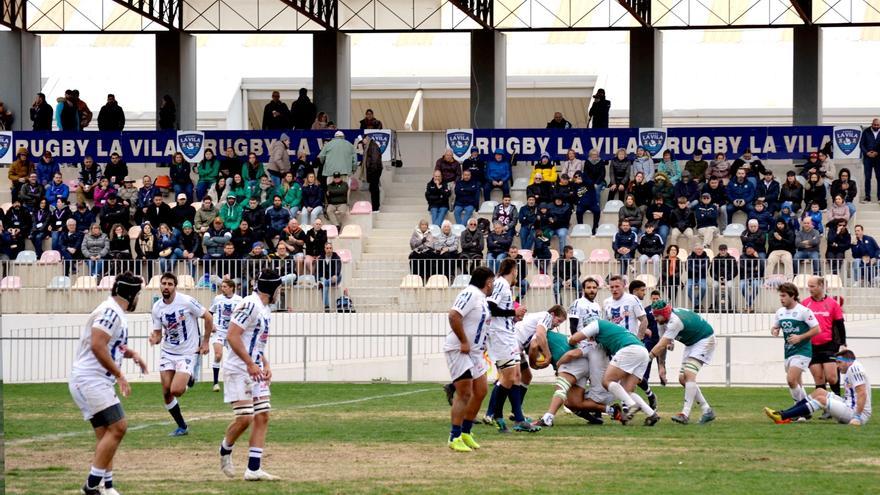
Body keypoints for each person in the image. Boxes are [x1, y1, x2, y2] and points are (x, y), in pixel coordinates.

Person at [69, 273, 147, 495]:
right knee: (119, 426)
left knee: (106, 434)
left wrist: (132, 354)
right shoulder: (110, 311)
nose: (138, 299)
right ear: (131, 294)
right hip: (91, 380)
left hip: (92, 380)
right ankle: (91, 486)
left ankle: (107, 486)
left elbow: (112, 345)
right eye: (138, 294)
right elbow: (97, 344)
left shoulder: (114, 311)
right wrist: (120, 374)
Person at [219, 269, 283, 480]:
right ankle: (225, 449)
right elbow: (232, 336)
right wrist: (249, 363)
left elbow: (256, 343)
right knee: (245, 417)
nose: (280, 292)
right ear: (272, 289)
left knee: (262, 415)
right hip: (238, 369)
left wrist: (265, 364)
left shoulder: (265, 309)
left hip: (254, 368)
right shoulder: (250, 304)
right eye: (279, 288)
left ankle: (253, 469)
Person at [149, 273, 214, 436]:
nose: (166, 286)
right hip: (168, 351)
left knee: (176, 390)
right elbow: (158, 333)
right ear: (160, 286)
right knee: (166, 391)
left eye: (170, 284)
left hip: (187, 352)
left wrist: (205, 342)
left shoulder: (186, 301)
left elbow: (208, 316)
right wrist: (154, 338)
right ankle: (182, 427)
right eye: (164, 283)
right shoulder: (157, 308)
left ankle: (189, 377)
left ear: (175, 286)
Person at [570, 318, 660, 425]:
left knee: (607, 381)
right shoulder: (611, 330)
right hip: (642, 351)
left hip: (630, 349)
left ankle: (632, 405)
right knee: (627, 391)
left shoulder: (597, 324)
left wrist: (570, 342)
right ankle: (651, 414)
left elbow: (574, 339)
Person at [445, 266, 494, 452]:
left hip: (475, 352)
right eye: (493, 283)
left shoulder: (482, 299)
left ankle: (466, 432)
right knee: (464, 392)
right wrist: (464, 341)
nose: (493, 286)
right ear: (488, 282)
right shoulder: (470, 293)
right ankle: (454, 436)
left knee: (481, 390)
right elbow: (454, 315)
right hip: (459, 349)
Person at [480, 259, 529, 430]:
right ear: (513, 270)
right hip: (500, 336)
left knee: (515, 376)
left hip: (507, 334)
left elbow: (499, 311)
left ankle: (518, 419)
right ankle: (496, 415)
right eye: (517, 270)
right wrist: (513, 311)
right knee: (508, 377)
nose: (517, 274)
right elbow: (490, 307)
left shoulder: (505, 286)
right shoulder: (500, 283)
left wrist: (513, 316)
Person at [649, 301, 717, 424]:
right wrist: (661, 366)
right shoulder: (662, 322)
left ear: (664, 313)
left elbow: (660, 346)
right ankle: (707, 410)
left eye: (656, 315)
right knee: (682, 379)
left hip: (705, 340)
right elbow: (662, 345)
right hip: (691, 343)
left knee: (689, 374)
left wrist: (646, 359)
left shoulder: (675, 322)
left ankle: (685, 414)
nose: (655, 318)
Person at [764, 349, 871, 425]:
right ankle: (785, 414)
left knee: (821, 400)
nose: (837, 366)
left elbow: (862, 393)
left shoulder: (854, 369)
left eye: (839, 362)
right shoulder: (852, 367)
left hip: (857, 414)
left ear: (849, 361)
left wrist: (857, 417)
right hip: (848, 405)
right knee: (819, 391)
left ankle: (782, 417)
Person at [509, 305, 570, 431]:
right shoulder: (546, 317)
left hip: (516, 346)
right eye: (558, 321)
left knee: (526, 376)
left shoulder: (538, 318)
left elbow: (532, 346)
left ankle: (516, 412)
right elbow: (539, 336)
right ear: (552, 314)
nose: (556, 325)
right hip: (512, 345)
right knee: (508, 379)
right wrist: (548, 356)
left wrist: (533, 363)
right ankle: (493, 413)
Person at [771, 282, 820, 410]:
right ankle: (805, 410)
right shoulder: (780, 312)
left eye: (784, 296)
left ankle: (799, 408)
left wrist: (800, 337)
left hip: (803, 351)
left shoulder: (803, 311)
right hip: (788, 351)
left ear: (793, 296)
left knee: (791, 380)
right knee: (797, 383)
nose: (781, 299)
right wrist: (775, 330)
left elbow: (817, 329)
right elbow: (775, 326)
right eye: (780, 296)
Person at [802, 277, 847, 405]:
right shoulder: (805, 304)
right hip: (811, 347)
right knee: (819, 378)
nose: (809, 289)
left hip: (829, 345)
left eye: (812, 286)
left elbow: (840, 325)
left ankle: (839, 404)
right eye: (809, 286)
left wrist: (843, 343)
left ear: (821, 285)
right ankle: (826, 408)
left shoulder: (833, 304)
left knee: (832, 378)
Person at [208, 279, 243, 392]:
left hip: (232, 332)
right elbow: (210, 312)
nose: (222, 288)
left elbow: (242, 315)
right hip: (218, 330)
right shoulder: (218, 299)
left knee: (234, 358)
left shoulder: (239, 300)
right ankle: (215, 383)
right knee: (218, 355)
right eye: (222, 286)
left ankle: (235, 382)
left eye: (224, 286)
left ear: (231, 288)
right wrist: (211, 324)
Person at [710, 244, 738, 312]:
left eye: (724, 250)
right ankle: (713, 305)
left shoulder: (732, 259)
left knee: (730, 287)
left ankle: (733, 306)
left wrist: (727, 278)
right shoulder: (715, 259)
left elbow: (735, 271)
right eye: (721, 250)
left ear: (726, 250)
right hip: (717, 279)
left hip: (728, 279)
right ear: (719, 250)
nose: (722, 251)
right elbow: (712, 271)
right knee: (714, 286)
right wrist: (718, 278)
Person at [361, 134, 383, 212]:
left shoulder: (372, 146)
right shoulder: (370, 146)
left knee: (374, 189)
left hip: (374, 171)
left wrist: (371, 172)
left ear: (365, 139)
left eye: (363, 141)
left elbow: (374, 160)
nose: (362, 143)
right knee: (373, 189)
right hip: (373, 171)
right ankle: (375, 207)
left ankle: (376, 208)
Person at [860, 120, 880, 202]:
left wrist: (877, 152)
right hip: (867, 158)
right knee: (867, 178)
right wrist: (867, 153)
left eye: (877, 125)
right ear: (872, 124)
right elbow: (861, 144)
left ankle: (879, 197)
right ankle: (867, 196)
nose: (876, 126)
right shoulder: (866, 132)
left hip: (878, 158)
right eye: (874, 125)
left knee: (879, 177)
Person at [739, 245, 763, 312]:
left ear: (754, 250)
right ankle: (750, 304)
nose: (748, 250)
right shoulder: (742, 257)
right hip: (744, 277)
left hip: (755, 277)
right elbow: (742, 268)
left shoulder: (757, 257)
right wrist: (754, 269)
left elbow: (761, 268)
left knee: (756, 286)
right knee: (742, 286)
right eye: (747, 248)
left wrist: (757, 258)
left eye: (751, 248)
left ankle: (748, 305)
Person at [686, 244, 710, 310]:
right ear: (694, 250)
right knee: (687, 288)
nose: (699, 250)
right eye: (697, 249)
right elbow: (688, 268)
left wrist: (694, 266)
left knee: (704, 287)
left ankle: (696, 304)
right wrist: (699, 267)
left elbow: (705, 267)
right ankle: (697, 304)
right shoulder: (690, 257)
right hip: (691, 277)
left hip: (702, 277)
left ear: (703, 250)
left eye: (700, 249)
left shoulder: (706, 257)